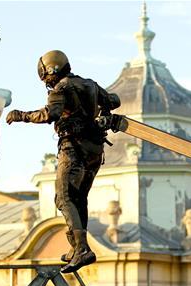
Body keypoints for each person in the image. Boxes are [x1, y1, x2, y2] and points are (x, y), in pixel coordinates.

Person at [6, 50, 121, 273]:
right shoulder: (90, 84)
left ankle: (81, 249)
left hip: (73, 148)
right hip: (95, 149)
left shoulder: (61, 88)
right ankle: (76, 247)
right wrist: (102, 111)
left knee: (64, 197)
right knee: (79, 199)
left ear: (50, 71)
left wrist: (21, 115)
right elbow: (114, 100)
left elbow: (50, 113)